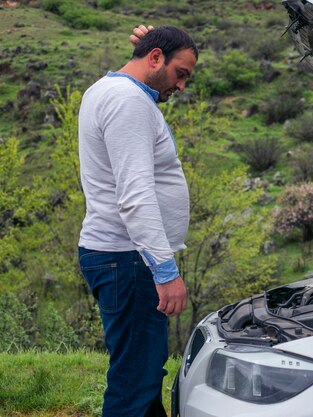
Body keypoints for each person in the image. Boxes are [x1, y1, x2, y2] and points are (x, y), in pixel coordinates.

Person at [77, 25, 197, 417]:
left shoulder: (115, 92)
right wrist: (165, 272)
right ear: (156, 58)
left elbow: (148, 78)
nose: (181, 87)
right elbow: (135, 196)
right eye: (181, 74)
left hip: (123, 257)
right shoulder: (127, 101)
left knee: (142, 376)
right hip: (129, 260)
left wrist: (151, 60)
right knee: (134, 383)